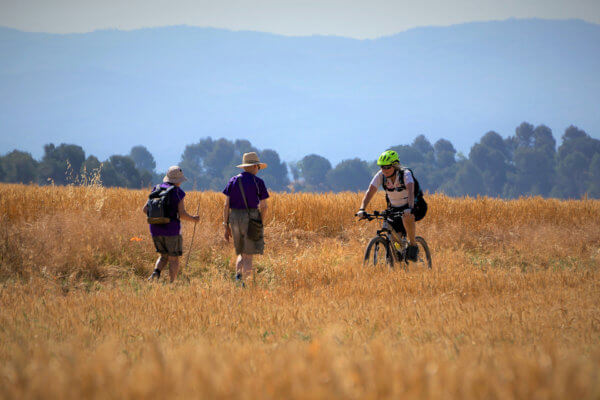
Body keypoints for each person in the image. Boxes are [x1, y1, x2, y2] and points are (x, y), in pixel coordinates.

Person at [357, 150, 426, 261]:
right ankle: (399, 255)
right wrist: (362, 208)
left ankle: (413, 245)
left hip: (414, 205)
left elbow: (410, 190)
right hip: (394, 208)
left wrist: (410, 208)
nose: (384, 170)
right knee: (394, 235)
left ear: (395, 165)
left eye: (387, 167)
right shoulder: (381, 175)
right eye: (382, 167)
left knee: (406, 217)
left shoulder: (405, 174)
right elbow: (370, 191)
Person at [144, 166, 199, 282]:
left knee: (163, 256)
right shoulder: (178, 192)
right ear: (178, 181)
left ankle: (155, 274)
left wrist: (158, 218)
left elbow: (145, 209)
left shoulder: (156, 188)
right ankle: (172, 283)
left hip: (154, 228)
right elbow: (182, 214)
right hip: (171, 230)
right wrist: (193, 219)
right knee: (174, 258)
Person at [222, 152, 270, 286]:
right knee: (248, 256)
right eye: (258, 167)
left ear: (244, 167)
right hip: (252, 217)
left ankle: (238, 279)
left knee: (241, 253)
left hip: (235, 217)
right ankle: (245, 285)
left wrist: (225, 225)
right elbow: (264, 206)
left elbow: (226, 205)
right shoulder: (258, 182)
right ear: (255, 166)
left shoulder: (233, 180)